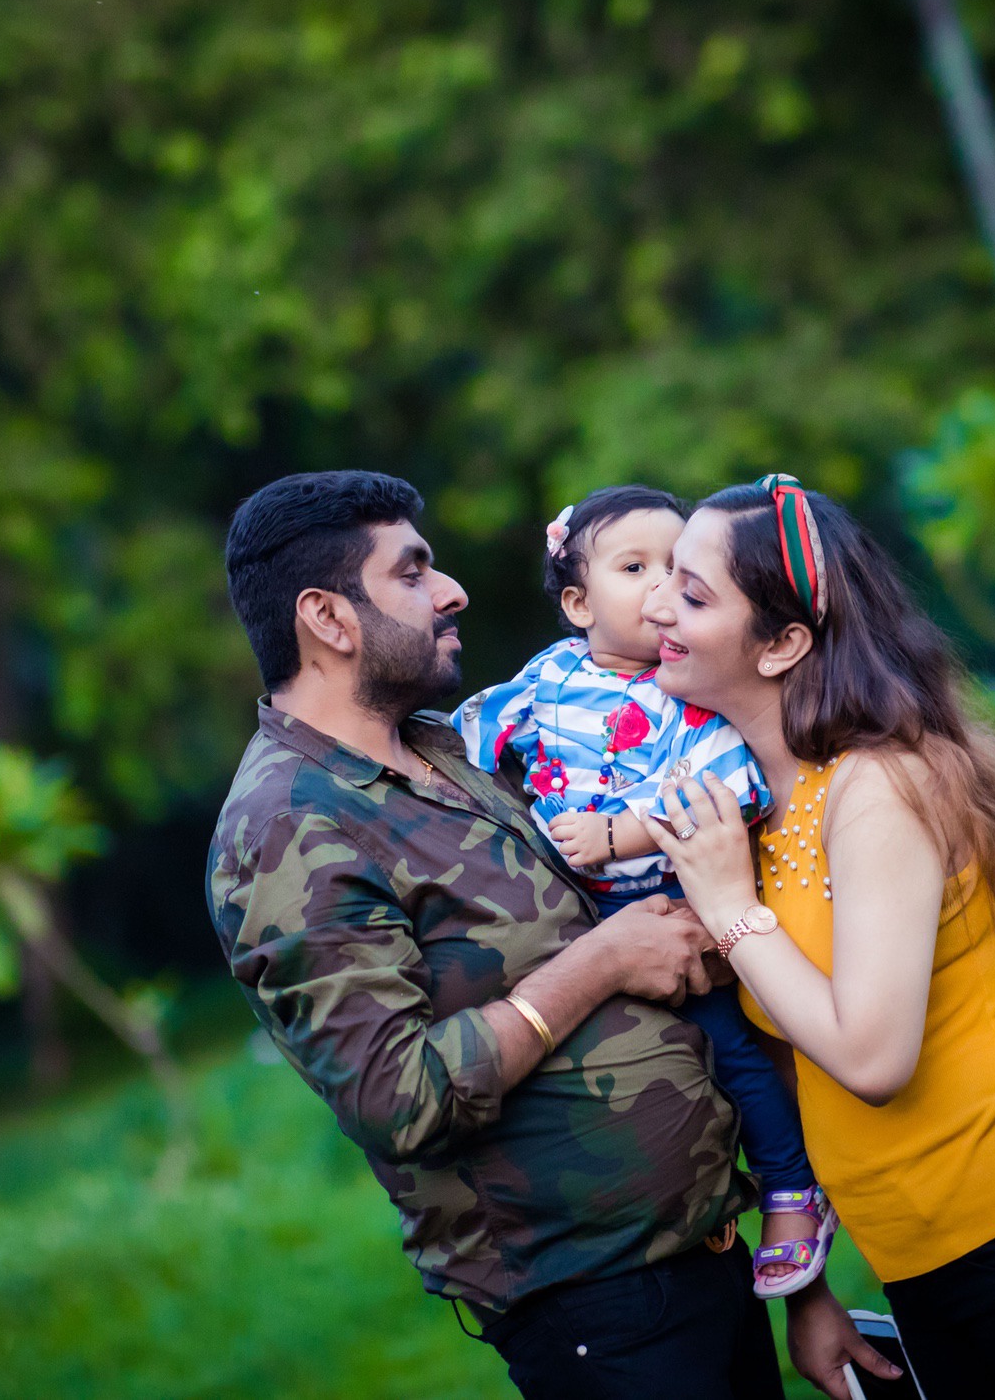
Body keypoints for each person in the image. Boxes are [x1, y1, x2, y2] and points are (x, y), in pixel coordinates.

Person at [205, 471, 859, 1399]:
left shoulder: (451, 751)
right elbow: (400, 1097)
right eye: (413, 572)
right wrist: (602, 961)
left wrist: (803, 1289)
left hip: (704, 1260)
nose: (451, 591)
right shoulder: (284, 827)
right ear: (328, 617)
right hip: (594, 1307)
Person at [636, 474, 995, 1399]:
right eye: (662, 578)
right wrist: (807, 1291)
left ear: (782, 643)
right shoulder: (762, 813)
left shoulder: (879, 787)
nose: (657, 604)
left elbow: (871, 1054)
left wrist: (732, 912)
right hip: (925, 1257)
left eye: (692, 593)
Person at [455, 485, 833, 1300]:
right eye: (635, 568)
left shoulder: (684, 692)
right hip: (579, 921)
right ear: (576, 602)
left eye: (678, 570)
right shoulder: (549, 676)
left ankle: (791, 1186)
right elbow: (471, 736)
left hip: (672, 909)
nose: (661, 590)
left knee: (733, 1051)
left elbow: (734, 790)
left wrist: (619, 833)